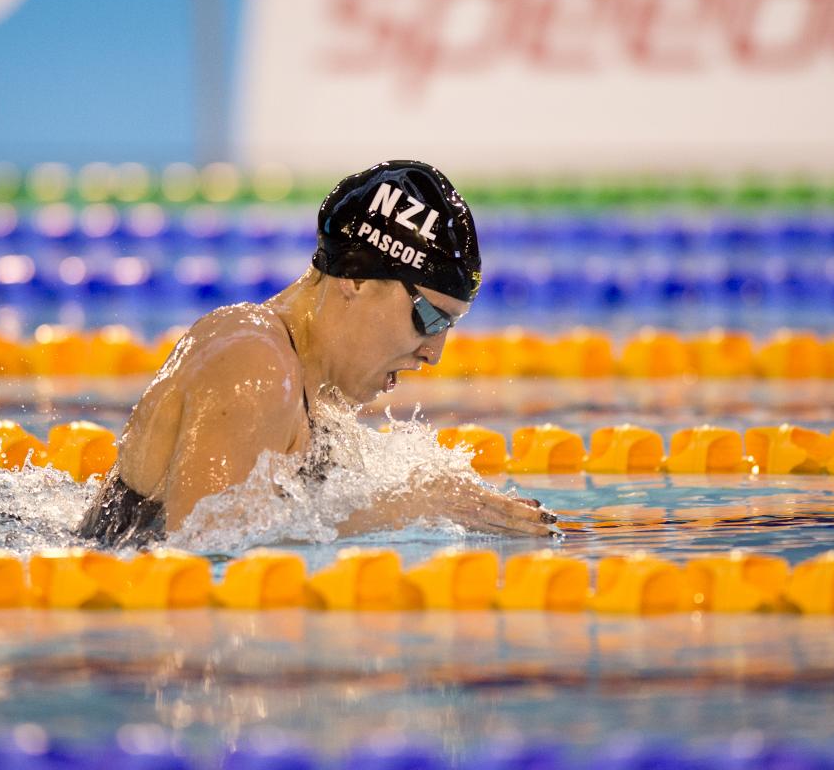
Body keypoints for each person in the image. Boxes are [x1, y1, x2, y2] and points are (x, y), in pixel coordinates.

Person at [76, 160, 559, 547]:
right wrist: (415, 505)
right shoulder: (253, 358)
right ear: (356, 277)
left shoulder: (311, 393)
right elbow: (203, 541)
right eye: (429, 318)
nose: (434, 353)